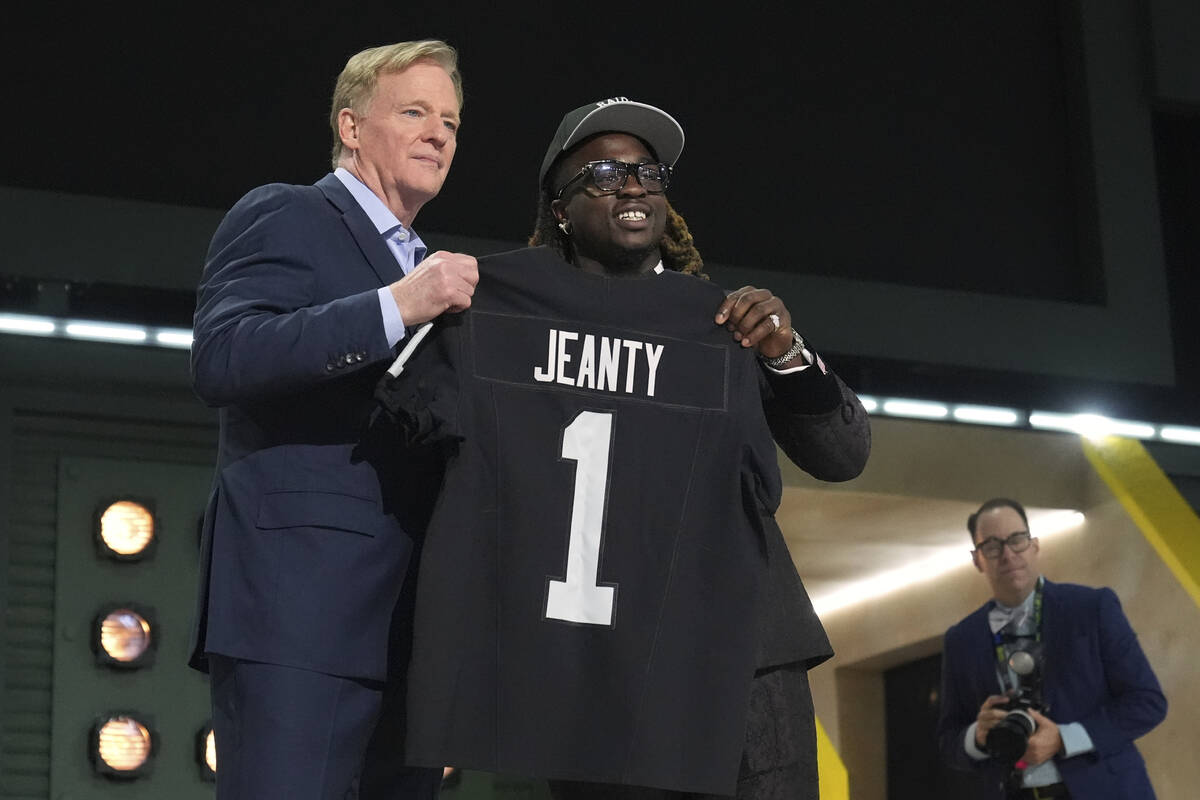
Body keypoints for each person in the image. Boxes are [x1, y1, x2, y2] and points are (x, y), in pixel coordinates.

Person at [374, 97, 870, 800]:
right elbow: (402, 447)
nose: (634, 185)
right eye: (604, 173)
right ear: (562, 209)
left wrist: (787, 354)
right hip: (592, 673)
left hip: (739, 659)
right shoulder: (491, 316)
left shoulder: (726, 323)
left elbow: (845, 455)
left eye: (649, 172)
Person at [188, 39, 478, 799]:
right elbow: (223, 356)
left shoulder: (431, 269)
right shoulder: (287, 212)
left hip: (412, 630)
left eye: (449, 120)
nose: (439, 133)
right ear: (351, 127)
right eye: (414, 112)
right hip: (299, 618)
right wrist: (398, 305)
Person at [936, 497, 1167, 800]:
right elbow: (948, 739)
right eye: (991, 546)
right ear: (977, 559)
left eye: (1016, 540)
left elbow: (1147, 702)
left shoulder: (1091, 608)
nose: (1007, 554)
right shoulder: (961, 640)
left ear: (1034, 545)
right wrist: (976, 737)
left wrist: (1064, 738)